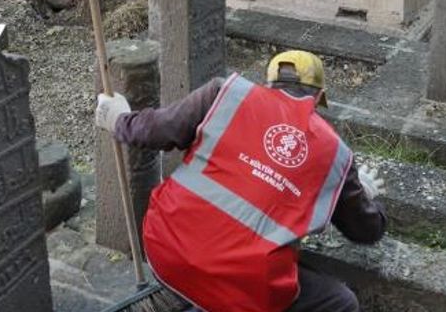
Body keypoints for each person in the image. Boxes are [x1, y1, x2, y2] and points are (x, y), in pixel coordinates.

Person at [94, 51, 387, 312]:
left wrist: (118, 119)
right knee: (342, 303)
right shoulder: (335, 154)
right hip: (247, 285)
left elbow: (155, 130)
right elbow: (366, 231)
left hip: (166, 249)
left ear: (268, 83)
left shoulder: (226, 94)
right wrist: (361, 193)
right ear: (319, 96)